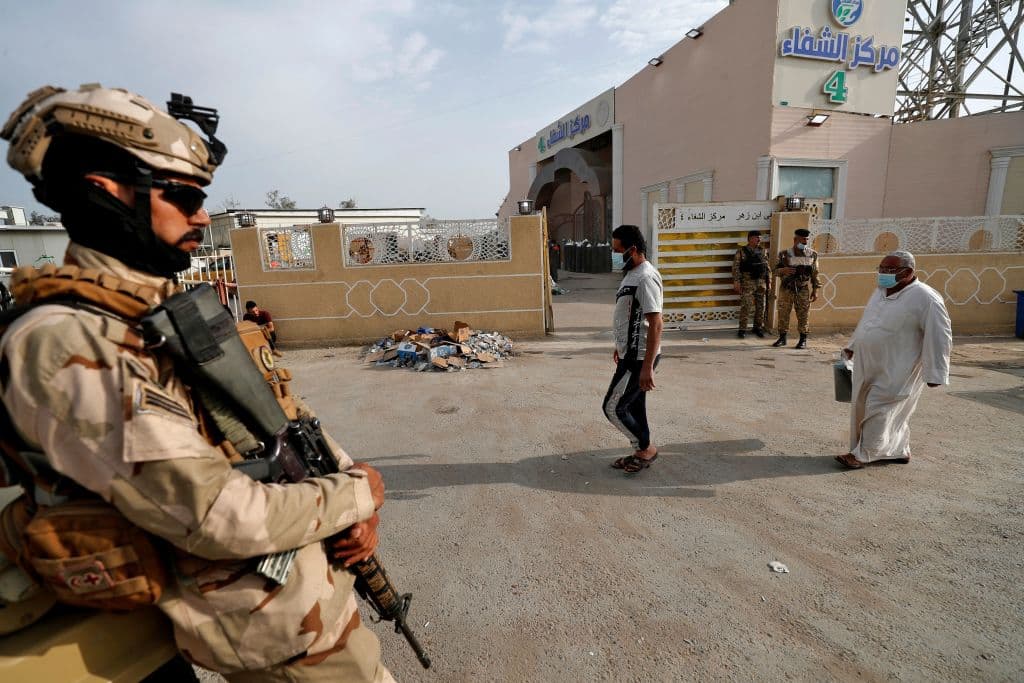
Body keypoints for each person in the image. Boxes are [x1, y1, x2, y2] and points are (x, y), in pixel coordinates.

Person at [0, 84, 394, 682]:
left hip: (305, 597)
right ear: (105, 192)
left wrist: (347, 488)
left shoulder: (164, 310)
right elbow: (216, 516)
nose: (203, 215)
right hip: (268, 634)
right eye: (183, 197)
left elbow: (282, 418)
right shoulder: (69, 341)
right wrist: (358, 493)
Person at [835, 251, 952, 469]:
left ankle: (863, 454)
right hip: (868, 363)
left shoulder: (926, 298)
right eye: (880, 269)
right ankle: (898, 449)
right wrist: (852, 345)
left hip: (899, 366)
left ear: (907, 272)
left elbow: (940, 335)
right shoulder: (881, 291)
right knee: (866, 406)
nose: (882, 274)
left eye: (888, 270)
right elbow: (868, 319)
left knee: (880, 407)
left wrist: (936, 372)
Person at [604, 224, 664, 474]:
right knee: (636, 406)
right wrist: (620, 345)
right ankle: (642, 448)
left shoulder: (646, 277)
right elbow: (630, 315)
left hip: (639, 358)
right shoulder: (631, 273)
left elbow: (656, 323)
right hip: (629, 353)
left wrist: (647, 367)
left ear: (634, 249)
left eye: (619, 251)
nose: (616, 255)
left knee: (613, 408)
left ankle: (645, 448)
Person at [772, 228, 821, 349]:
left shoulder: (812, 254)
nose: (805, 241)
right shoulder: (784, 254)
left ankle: (803, 340)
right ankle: (782, 338)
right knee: (783, 313)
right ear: (795, 239)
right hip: (786, 288)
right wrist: (784, 270)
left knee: (803, 314)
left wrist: (815, 290)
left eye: (806, 239)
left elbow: (815, 273)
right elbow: (774, 271)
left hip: (802, 289)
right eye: (802, 239)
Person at [731, 230, 770, 338]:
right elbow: (736, 267)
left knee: (760, 306)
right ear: (750, 239)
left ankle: (758, 328)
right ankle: (742, 329)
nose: (759, 240)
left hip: (761, 282)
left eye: (760, 238)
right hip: (747, 283)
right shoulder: (741, 251)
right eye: (757, 237)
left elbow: (767, 267)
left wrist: (769, 281)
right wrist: (736, 281)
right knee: (746, 306)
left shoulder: (763, 251)